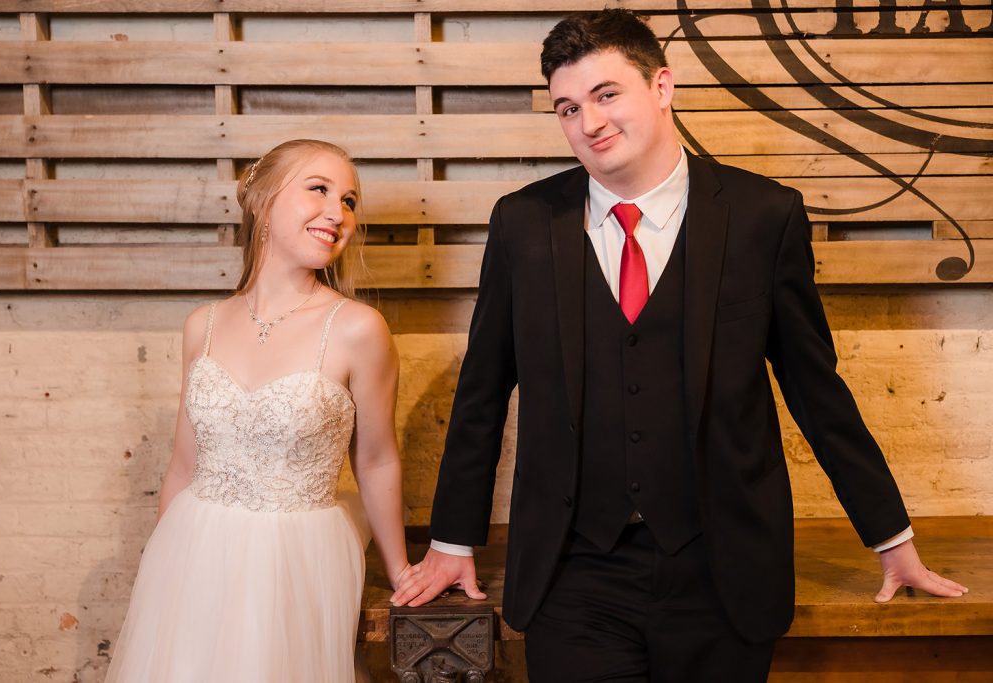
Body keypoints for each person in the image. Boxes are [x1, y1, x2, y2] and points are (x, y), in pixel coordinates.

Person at [391, 10, 967, 682]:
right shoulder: (523, 222)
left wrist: (890, 536)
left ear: (662, 86)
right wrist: (453, 539)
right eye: (568, 108)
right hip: (574, 575)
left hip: (722, 573)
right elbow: (482, 392)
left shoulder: (763, 217)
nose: (590, 123)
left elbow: (816, 390)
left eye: (607, 95)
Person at [106, 139, 409, 682]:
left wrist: (400, 569)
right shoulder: (203, 324)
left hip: (296, 555)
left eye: (349, 201)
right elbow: (183, 464)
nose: (337, 213)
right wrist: (163, 568)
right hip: (195, 548)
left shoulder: (358, 328)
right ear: (262, 202)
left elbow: (378, 461)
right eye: (318, 189)